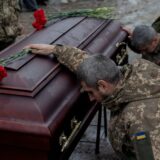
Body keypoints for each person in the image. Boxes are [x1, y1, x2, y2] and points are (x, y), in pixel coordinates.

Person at [25, 43, 160, 160]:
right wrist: (55, 49)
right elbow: (93, 67)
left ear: (102, 85)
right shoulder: (134, 75)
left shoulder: (142, 120)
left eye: (90, 92)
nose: (90, 98)